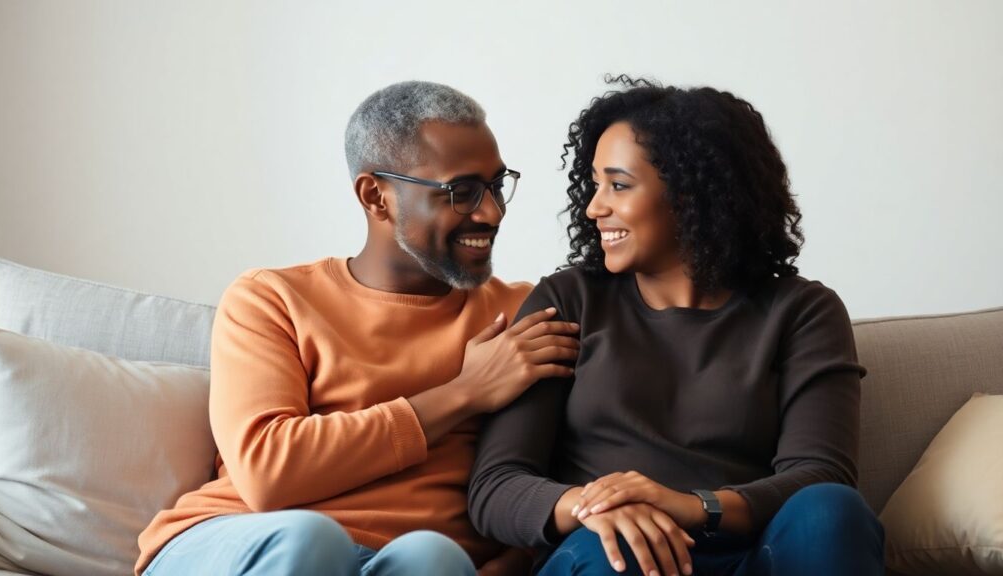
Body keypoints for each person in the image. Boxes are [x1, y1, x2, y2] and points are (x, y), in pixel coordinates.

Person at [135, 81, 581, 576]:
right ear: (376, 197)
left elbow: (555, 467)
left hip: (401, 563)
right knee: (310, 541)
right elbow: (267, 472)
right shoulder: (272, 299)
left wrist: (517, 561)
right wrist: (464, 392)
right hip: (243, 542)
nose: (491, 212)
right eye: (462, 192)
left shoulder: (525, 312)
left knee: (433, 558)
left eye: (497, 185)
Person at [468, 76, 885, 576]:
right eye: (595, 183)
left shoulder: (802, 311)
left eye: (618, 185)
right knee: (614, 552)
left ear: (692, 194)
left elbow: (821, 473)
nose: (593, 207)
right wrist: (595, 506)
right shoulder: (570, 300)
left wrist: (691, 505)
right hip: (614, 555)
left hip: (751, 554)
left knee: (831, 512)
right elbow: (497, 485)